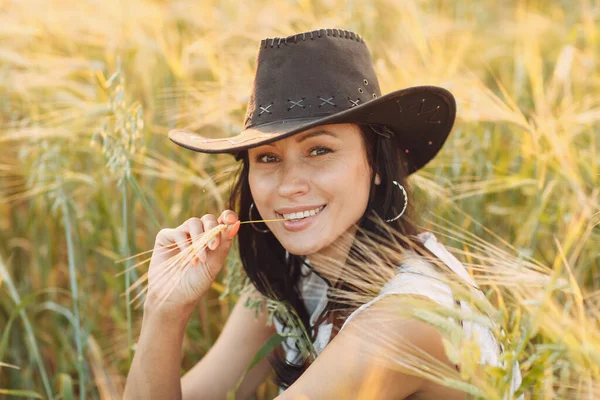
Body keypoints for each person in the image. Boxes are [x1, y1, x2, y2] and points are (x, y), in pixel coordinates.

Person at [124, 28, 521, 399]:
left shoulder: (404, 318)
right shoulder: (293, 276)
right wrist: (165, 309)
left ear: (377, 164)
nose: (288, 184)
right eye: (267, 157)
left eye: (319, 150)